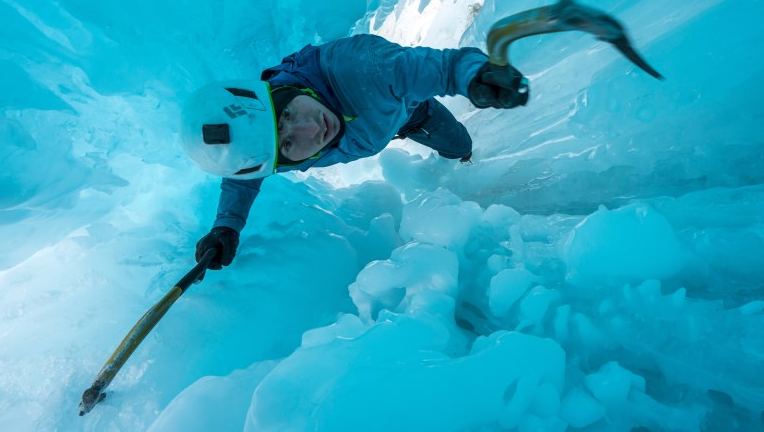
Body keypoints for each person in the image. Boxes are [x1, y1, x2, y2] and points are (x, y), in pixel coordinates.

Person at [180, 33, 528, 272]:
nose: (311, 129)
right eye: (288, 143)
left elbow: (420, 67)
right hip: (377, 125)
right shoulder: (267, 149)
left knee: (459, 146)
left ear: (273, 91)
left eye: (287, 114)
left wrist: (472, 75)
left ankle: (463, 163)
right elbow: (242, 180)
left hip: (412, 113)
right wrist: (226, 227)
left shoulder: (357, 68)